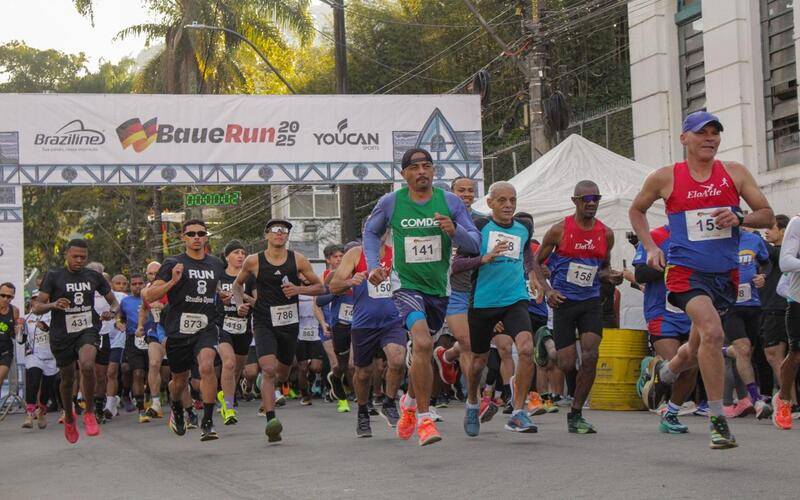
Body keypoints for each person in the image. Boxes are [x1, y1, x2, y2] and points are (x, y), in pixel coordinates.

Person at [629, 110, 774, 449]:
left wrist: (739, 216)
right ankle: (718, 421)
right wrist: (650, 246)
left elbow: (766, 214)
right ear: (684, 138)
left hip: (724, 275)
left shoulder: (735, 173)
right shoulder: (666, 177)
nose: (710, 138)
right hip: (684, 272)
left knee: (694, 349)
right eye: (701, 132)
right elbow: (636, 210)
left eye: (715, 132)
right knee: (713, 333)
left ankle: (663, 373)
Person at [363, 148, 480, 446]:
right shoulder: (391, 202)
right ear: (404, 174)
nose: (422, 172)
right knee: (424, 343)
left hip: (439, 289)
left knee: (422, 354)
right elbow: (370, 233)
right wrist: (374, 266)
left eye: (427, 166)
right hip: (406, 286)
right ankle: (425, 421)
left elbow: (475, 243)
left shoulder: (450, 201)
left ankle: (410, 403)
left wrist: (455, 232)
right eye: (415, 167)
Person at [533, 180, 617, 434]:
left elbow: (602, 268)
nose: (591, 203)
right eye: (586, 199)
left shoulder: (606, 233)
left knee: (591, 356)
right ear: (575, 201)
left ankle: (576, 413)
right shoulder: (559, 230)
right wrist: (548, 290)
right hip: (564, 302)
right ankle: (546, 342)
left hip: (591, 301)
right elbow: (536, 263)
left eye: (596, 199)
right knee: (567, 363)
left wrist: (609, 275)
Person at [232, 219, 325, 443]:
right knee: (269, 368)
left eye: (284, 231)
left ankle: (263, 383)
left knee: (281, 374)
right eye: (275, 230)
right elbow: (237, 285)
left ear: (287, 236)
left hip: (289, 324)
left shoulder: (298, 260)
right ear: (267, 235)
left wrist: (298, 289)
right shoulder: (253, 261)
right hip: (264, 321)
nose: (279, 234)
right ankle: (271, 421)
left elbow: (320, 286)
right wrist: (239, 305)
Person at [459, 182, 539, 436]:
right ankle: (473, 401)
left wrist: (534, 274)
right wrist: (483, 258)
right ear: (490, 203)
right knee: (478, 363)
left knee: (526, 348)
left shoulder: (523, 226)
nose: (508, 205)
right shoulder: (479, 228)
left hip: (514, 299)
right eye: (502, 200)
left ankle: (518, 412)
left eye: (512, 200)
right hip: (483, 303)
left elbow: (527, 255)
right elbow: (457, 264)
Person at [142, 219, 226, 441]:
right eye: (191, 234)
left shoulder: (217, 264)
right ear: (183, 238)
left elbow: (213, 287)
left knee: (207, 366)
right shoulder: (172, 263)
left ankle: (207, 422)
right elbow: (150, 296)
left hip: (206, 326)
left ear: (206, 237)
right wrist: (172, 282)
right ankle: (177, 407)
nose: (196, 237)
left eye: (201, 233)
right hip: (178, 329)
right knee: (179, 381)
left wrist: (221, 295)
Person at [32, 239, 119, 443]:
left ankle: (89, 412)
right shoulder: (54, 276)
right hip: (61, 334)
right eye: (75, 256)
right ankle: (70, 417)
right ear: (66, 255)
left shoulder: (94, 276)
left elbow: (114, 301)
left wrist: (112, 312)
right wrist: (54, 304)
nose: (79, 260)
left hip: (88, 328)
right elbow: (37, 306)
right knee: (67, 378)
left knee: (87, 365)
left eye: (83, 257)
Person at [329, 236, 407, 438]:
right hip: (364, 323)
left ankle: (389, 403)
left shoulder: (396, 252)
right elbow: (334, 286)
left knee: (398, 360)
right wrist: (350, 281)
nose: (378, 232)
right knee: (363, 373)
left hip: (392, 320)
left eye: (383, 226)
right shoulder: (355, 254)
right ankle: (363, 412)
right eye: (373, 228)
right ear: (366, 232)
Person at [633, 225, 696, 433]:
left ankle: (671, 414)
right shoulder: (655, 237)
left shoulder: (700, 237)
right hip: (661, 312)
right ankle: (653, 368)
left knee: (692, 366)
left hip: (691, 311)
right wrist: (673, 261)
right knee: (681, 363)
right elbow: (641, 273)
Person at [722, 229, 771, 419]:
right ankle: (756, 399)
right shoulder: (717, 240)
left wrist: (762, 276)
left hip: (753, 305)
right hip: (730, 305)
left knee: (746, 352)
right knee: (743, 349)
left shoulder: (753, 239)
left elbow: (766, 262)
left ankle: (721, 350)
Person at [436, 177, 480, 389]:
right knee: (423, 344)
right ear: (451, 194)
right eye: (461, 190)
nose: (466, 194)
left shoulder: (481, 221)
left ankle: (448, 356)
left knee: (472, 344)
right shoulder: (439, 219)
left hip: (475, 291)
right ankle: (426, 402)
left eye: (470, 190)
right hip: (445, 290)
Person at [216, 240, 255, 425]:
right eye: (236, 252)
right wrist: (221, 299)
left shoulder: (250, 278)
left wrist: (242, 295)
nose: (240, 256)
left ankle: (228, 393)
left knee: (237, 369)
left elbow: (259, 303)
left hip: (243, 327)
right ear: (227, 256)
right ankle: (229, 407)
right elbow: (209, 300)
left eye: (243, 252)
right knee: (229, 363)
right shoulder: (219, 277)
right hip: (222, 325)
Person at [760, 216, 793, 405]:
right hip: (769, 308)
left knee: (774, 353)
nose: (766, 232)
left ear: (783, 231)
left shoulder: (784, 253)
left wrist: (743, 227)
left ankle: (789, 401)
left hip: (779, 309)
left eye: (770, 228)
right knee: (776, 355)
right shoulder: (769, 257)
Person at [774, 214, 800, 429]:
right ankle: (783, 400)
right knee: (796, 354)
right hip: (798, 299)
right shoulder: (797, 223)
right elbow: (785, 262)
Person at [20, 290, 57, 430]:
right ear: (31, 301)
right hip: (33, 355)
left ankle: (41, 411)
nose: (38, 302)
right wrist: (19, 330)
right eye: (35, 299)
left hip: (51, 356)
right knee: (33, 380)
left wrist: (47, 329)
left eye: (41, 299)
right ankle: (29, 414)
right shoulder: (26, 317)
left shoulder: (53, 315)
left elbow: (59, 335)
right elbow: (21, 340)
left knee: (47, 388)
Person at [118, 274, 150, 423]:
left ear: (144, 284)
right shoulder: (125, 301)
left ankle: (153, 398)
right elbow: (120, 317)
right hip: (133, 338)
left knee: (156, 373)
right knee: (137, 372)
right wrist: (118, 323)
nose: (137, 286)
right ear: (130, 286)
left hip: (153, 338)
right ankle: (141, 408)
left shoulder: (151, 297)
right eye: (134, 284)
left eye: (140, 283)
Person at [295, 293, 324, 406]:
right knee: (302, 368)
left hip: (314, 335)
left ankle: (312, 378)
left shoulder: (316, 292)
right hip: (300, 336)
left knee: (316, 367)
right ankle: (305, 394)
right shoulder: (295, 293)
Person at [0, 282, 21, 410]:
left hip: (5, 351)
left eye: (9, 297)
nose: (6, 299)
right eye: (2, 295)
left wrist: (19, 329)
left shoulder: (14, 311)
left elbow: (15, 335)